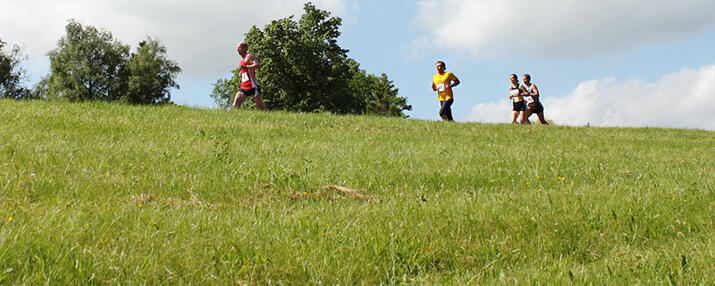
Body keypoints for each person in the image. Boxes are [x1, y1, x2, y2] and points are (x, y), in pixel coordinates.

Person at [233, 41, 267, 111]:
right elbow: (244, 71)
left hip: (253, 87)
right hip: (244, 87)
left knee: (261, 108)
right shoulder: (242, 60)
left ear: (245, 48)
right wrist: (241, 73)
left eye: (239, 48)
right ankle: (238, 119)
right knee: (236, 103)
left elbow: (257, 65)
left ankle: (270, 119)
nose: (237, 50)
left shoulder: (249, 57)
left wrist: (246, 67)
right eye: (237, 48)